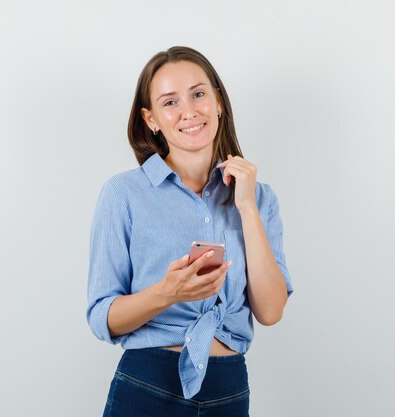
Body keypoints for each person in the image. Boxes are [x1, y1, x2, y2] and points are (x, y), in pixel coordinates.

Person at [86, 46, 294, 417]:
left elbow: (271, 310)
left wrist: (246, 207)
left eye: (198, 94)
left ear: (217, 101)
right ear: (151, 119)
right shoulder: (123, 194)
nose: (189, 111)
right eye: (170, 102)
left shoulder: (260, 198)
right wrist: (167, 293)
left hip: (228, 389)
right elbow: (103, 318)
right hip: (148, 383)